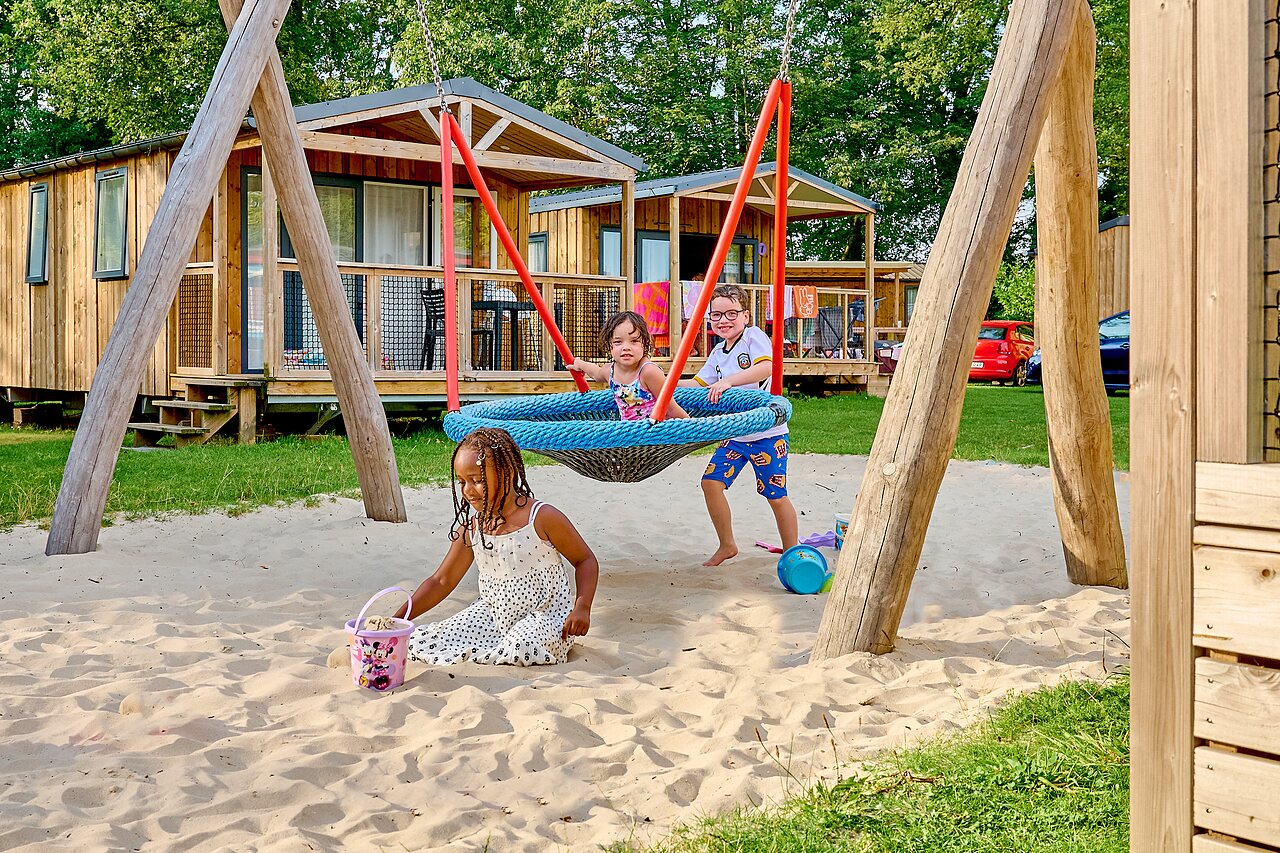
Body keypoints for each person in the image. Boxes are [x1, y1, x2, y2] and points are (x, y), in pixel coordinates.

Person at [395, 427, 599, 666]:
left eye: (477, 480)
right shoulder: (472, 528)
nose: (468, 491)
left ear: (508, 472)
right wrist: (397, 620)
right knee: (420, 639)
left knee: (523, 646)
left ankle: (499, 650)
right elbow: (441, 581)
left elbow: (585, 560)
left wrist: (582, 607)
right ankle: (492, 649)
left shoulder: (542, 518)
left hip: (544, 620)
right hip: (492, 617)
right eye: (461, 482)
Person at [679, 284, 799, 566]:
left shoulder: (753, 337)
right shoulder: (718, 352)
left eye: (731, 313)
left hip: (767, 435)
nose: (724, 320)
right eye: (717, 315)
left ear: (746, 315)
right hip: (736, 436)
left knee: (775, 495)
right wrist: (665, 385)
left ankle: (793, 551)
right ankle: (727, 544)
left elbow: (765, 368)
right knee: (710, 484)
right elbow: (698, 384)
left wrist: (729, 381)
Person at [570, 310, 688, 421]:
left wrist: (694, 429)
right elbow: (596, 373)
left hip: (655, 433)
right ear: (609, 346)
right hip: (629, 434)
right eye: (618, 342)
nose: (626, 347)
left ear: (645, 344)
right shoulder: (610, 371)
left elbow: (671, 408)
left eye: (634, 341)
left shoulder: (648, 372)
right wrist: (579, 363)